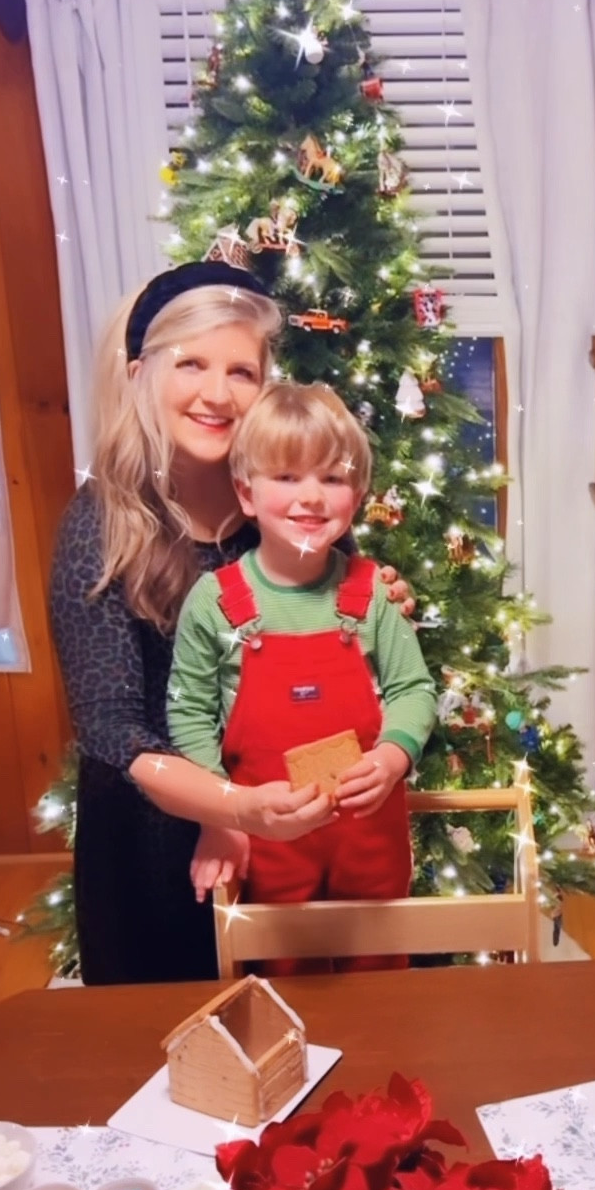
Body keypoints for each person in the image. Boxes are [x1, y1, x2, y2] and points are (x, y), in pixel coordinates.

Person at [49, 264, 414, 985]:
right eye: (192, 364)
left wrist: (383, 606)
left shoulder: (284, 505)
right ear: (139, 374)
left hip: (299, 842)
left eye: (241, 371)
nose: (218, 393)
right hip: (157, 851)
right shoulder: (101, 527)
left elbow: (346, 642)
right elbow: (113, 732)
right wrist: (233, 808)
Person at [167, 381, 436, 905]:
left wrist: (392, 757)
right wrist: (223, 816)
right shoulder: (214, 602)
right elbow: (190, 715)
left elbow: (413, 689)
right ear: (247, 492)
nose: (311, 496)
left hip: (370, 841)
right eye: (287, 476)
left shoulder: (374, 594)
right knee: (278, 979)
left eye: (332, 478)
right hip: (267, 840)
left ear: (356, 498)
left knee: (379, 972)